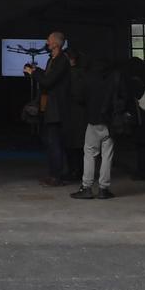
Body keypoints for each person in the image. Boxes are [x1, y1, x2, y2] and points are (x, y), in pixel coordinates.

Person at [24, 31, 77, 186]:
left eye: (49, 40)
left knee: (54, 143)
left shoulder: (61, 61)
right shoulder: (52, 60)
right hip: (49, 107)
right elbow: (47, 78)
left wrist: (34, 73)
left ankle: (56, 176)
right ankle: (53, 173)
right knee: (50, 142)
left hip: (57, 109)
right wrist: (35, 70)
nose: (47, 43)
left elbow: (48, 81)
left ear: (55, 43)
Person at [71, 53, 122, 200]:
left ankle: (86, 187)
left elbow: (79, 97)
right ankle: (103, 189)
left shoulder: (88, 77)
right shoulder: (115, 76)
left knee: (89, 153)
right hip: (111, 122)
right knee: (108, 155)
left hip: (93, 120)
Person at [122, 56, 145, 182]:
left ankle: (143, 172)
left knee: (140, 147)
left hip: (138, 118)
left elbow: (129, 99)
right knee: (144, 147)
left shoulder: (132, 83)